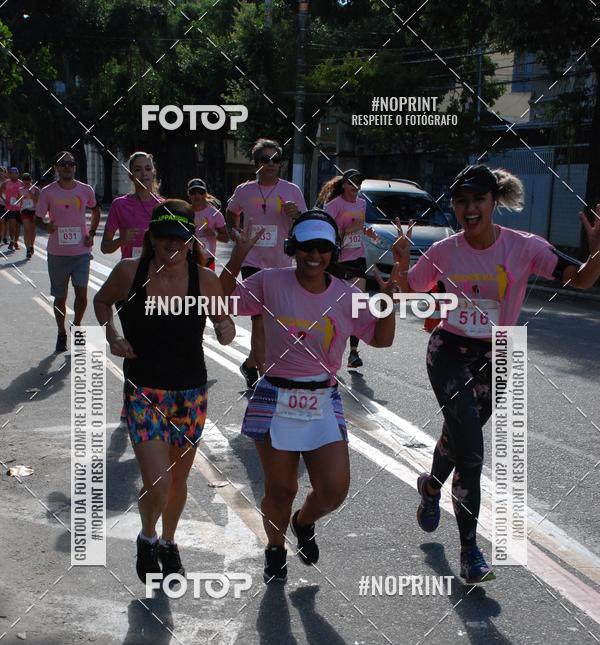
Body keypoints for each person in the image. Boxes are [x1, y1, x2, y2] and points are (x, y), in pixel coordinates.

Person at [395, 164, 600, 584]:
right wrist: (401, 264)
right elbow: (409, 297)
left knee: (458, 439)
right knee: (471, 448)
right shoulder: (444, 251)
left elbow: (580, 281)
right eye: (461, 202)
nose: (469, 209)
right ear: (454, 206)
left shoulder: (524, 248)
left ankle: (431, 486)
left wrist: (598, 251)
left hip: (501, 354)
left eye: (478, 200)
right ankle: (470, 551)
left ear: (493, 202)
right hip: (449, 351)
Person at [221, 210, 400, 583]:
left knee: (334, 490)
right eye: (305, 247)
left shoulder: (348, 295)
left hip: (322, 398)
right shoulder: (269, 282)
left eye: (322, 247)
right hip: (275, 396)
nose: (313, 255)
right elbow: (223, 304)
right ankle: (274, 546)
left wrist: (388, 303)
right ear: (292, 248)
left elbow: (381, 340)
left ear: (333, 252)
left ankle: (303, 522)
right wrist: (237, 257)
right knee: (281, 487)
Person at [94, 200, 236, 583]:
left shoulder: (204, 280)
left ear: (191, 240)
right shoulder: (129, 272)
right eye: (164, 238)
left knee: (177, 481)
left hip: (190, 394)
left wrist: (226, 329)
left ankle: (168, 541)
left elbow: (226, 325)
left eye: (180, 238)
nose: (171, 246)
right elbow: (102, 301)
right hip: (145, 392)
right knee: (157, 481)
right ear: (151, 238)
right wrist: (111, 333)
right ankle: (147, 536)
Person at [226, 138, 307, 389]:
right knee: (259, 320)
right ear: (256, 164)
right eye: (265, 159)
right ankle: (265, 376)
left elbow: (305, 221)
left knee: (278, 321)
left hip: (282, 263)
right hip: (252, 262)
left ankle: (251, 364)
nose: (271, 164)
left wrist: (297, 215)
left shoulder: (292, 190)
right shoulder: (244, 191)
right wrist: (234, 232)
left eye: (275, 160)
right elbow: (231, 213)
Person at [35, 151, 100, 352]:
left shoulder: (85, 190)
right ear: (56, 167)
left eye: (70, 163)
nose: (67, 167)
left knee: (82, 293)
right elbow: (38, 218)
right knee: (60, 298)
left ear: (75, 167)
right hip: (57, 254)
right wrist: (46, 227)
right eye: (62, 164)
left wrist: (92, 232)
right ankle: (61, 332)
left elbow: (95, 210)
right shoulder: (48, 192)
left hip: (81, 252)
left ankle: (77, 326)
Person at [319, 169, 369, 369]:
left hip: (357, 257)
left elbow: (360, 227)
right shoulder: (333, 206)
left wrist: (365, 230)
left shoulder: (362, 204)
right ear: (344, 185)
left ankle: (354, 354)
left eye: (358, 182)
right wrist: (349, 229)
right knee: (333, 308)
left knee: (356, 305)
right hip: (337, 261)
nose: (355, 187)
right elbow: (326, 231)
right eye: (351, 183)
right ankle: (326, 350)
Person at [101, 151, 161, 260]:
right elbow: (105, 248)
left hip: (158, 273)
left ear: (154, 173)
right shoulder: (119, 205)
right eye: (138, 170)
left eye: (148, 169)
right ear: (131, 175)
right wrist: (122, 239)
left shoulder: (163, 206)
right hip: (130, 272)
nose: (143, 173)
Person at [187, 178, 228, 270]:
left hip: (207, 260)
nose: (197, 195)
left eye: (200, 192)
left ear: (205, 194)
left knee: (207, 284)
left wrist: (214, 234)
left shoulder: (215, 214)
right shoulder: (185, 212)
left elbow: (226, 238)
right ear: (189, 195)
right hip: (188, 258)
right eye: (193, 192)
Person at [1, 166, 24, 251]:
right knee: (11, 224)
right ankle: (11, 240)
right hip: (9, 208)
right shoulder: (6, 183)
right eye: (12, 173)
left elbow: (26, 194)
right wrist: (5, 200)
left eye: (16, 173)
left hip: (19, 208)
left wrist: (20, 197)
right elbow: (0, 192)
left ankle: (16, 241)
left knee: (17, 226)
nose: (14, 175)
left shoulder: (21, 183)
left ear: (18, 174)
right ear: (9, 175)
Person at [18, 173, 40, 259]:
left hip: (34, 211)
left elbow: (38, 202)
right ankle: (28, 250)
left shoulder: (36, 189)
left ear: (31, 180)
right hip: (25, 211)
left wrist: (31, 195)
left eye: (28, 179)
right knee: (27, 230)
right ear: (22, 181)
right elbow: (18, 200)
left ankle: (32, 245)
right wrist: (19, 199)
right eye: (24, 180)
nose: (26, 181)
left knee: (33, 232)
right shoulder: (20, 189)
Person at [0, 166, 8, 246]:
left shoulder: (8, 182)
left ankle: (5, 236)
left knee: (6, 221)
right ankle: (1, 235)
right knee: (1, 220)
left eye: (2, 171)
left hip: (7, 203)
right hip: (0, 203)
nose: (0, 173)